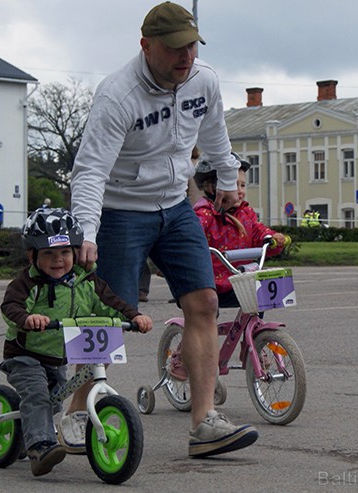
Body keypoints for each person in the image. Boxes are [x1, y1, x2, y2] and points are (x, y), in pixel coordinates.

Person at [70, 1, 258, 458]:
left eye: (191, 46)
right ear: (146, 46)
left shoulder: (203, 80)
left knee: (206, 302)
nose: (185, 57)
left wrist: (228, 185)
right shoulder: (117, 95)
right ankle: (76, 412)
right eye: (174, 48)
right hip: (120, 212)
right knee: (104, 318)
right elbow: (90, 170)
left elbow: (216, 137)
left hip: (176, 206)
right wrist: (86, 233)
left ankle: (204, 422)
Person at [0, 208, 152, 476]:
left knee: (53, 401)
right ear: (32, 255)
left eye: (65, 253)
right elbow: (10, 306)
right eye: (48, 254)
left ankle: (29, 434)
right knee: (37, 396)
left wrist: (134, 316)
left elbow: (110, 304)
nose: (58, 261)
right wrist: (27, 318)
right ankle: (41, 448)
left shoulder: (86, 281)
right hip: (25, 354)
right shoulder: (27, 283)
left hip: (57, 357)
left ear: (76, 252)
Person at [193, 154, 287, 308]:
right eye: (233, 184)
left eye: (243, 185)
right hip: (211, 284)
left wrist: (271, 238)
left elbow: (258, 231)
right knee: (207, 313)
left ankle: (254, 329)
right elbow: (191, 235)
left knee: (261, 295)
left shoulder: (246, 214)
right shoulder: (205, 214)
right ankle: (206, 330)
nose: (240, 191)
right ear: (211, 187)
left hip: (240, 280)